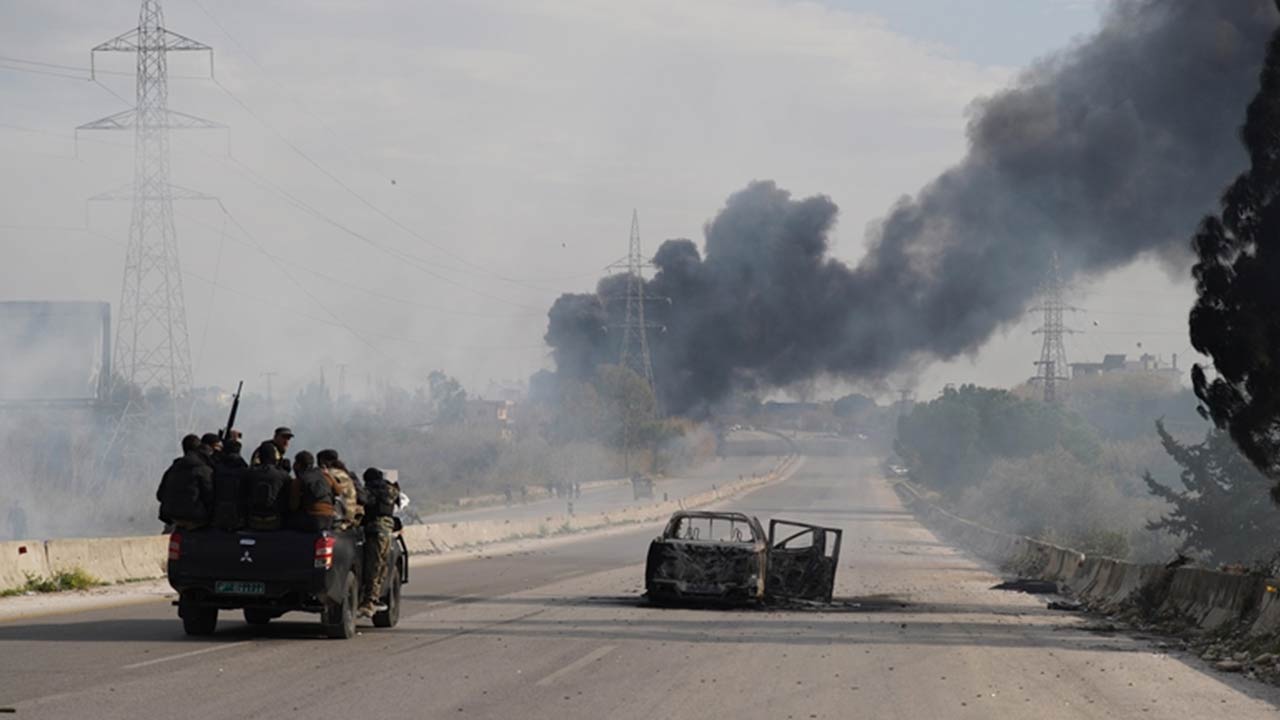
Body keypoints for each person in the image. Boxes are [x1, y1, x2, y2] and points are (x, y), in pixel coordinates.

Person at [359, 467, 400, 617]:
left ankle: (369, 600)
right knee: (381, 565)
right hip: (387, 531)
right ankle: (375, 597)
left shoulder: (370, 491)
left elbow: (364, 504)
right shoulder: (390, 489)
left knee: (373, 565)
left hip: (375, 531)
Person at [157, 433, 215, 530]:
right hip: (196, 520)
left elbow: (160, 495)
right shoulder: (203, 469)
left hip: (172, 518)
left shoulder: (173, 468)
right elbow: (210, 496)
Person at [317, 449, 364, 530]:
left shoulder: (329, 475)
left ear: (322, 461)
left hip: (338, 520)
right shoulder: (346, 474)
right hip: (351, 518)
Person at [288, 451, 336, 532]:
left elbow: (293, 506)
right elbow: (339, 490)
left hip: (312, 520)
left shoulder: (299, 480)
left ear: (298, 465)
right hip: (330, 519)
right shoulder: (324, 476)